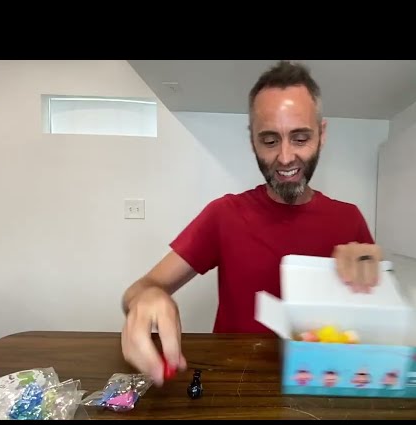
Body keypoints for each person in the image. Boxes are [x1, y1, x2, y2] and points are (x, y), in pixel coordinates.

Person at [121, 60, 384, 385]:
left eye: (300, 138)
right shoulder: (224, 214)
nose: (285, 157)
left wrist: (377, 283)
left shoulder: (349, 219)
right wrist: (148, 297)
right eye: (270, 141)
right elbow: (140, 289)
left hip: (322, 384)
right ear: (252, 141)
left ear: (322, 134)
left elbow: (376, 327)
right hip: (235, 386)